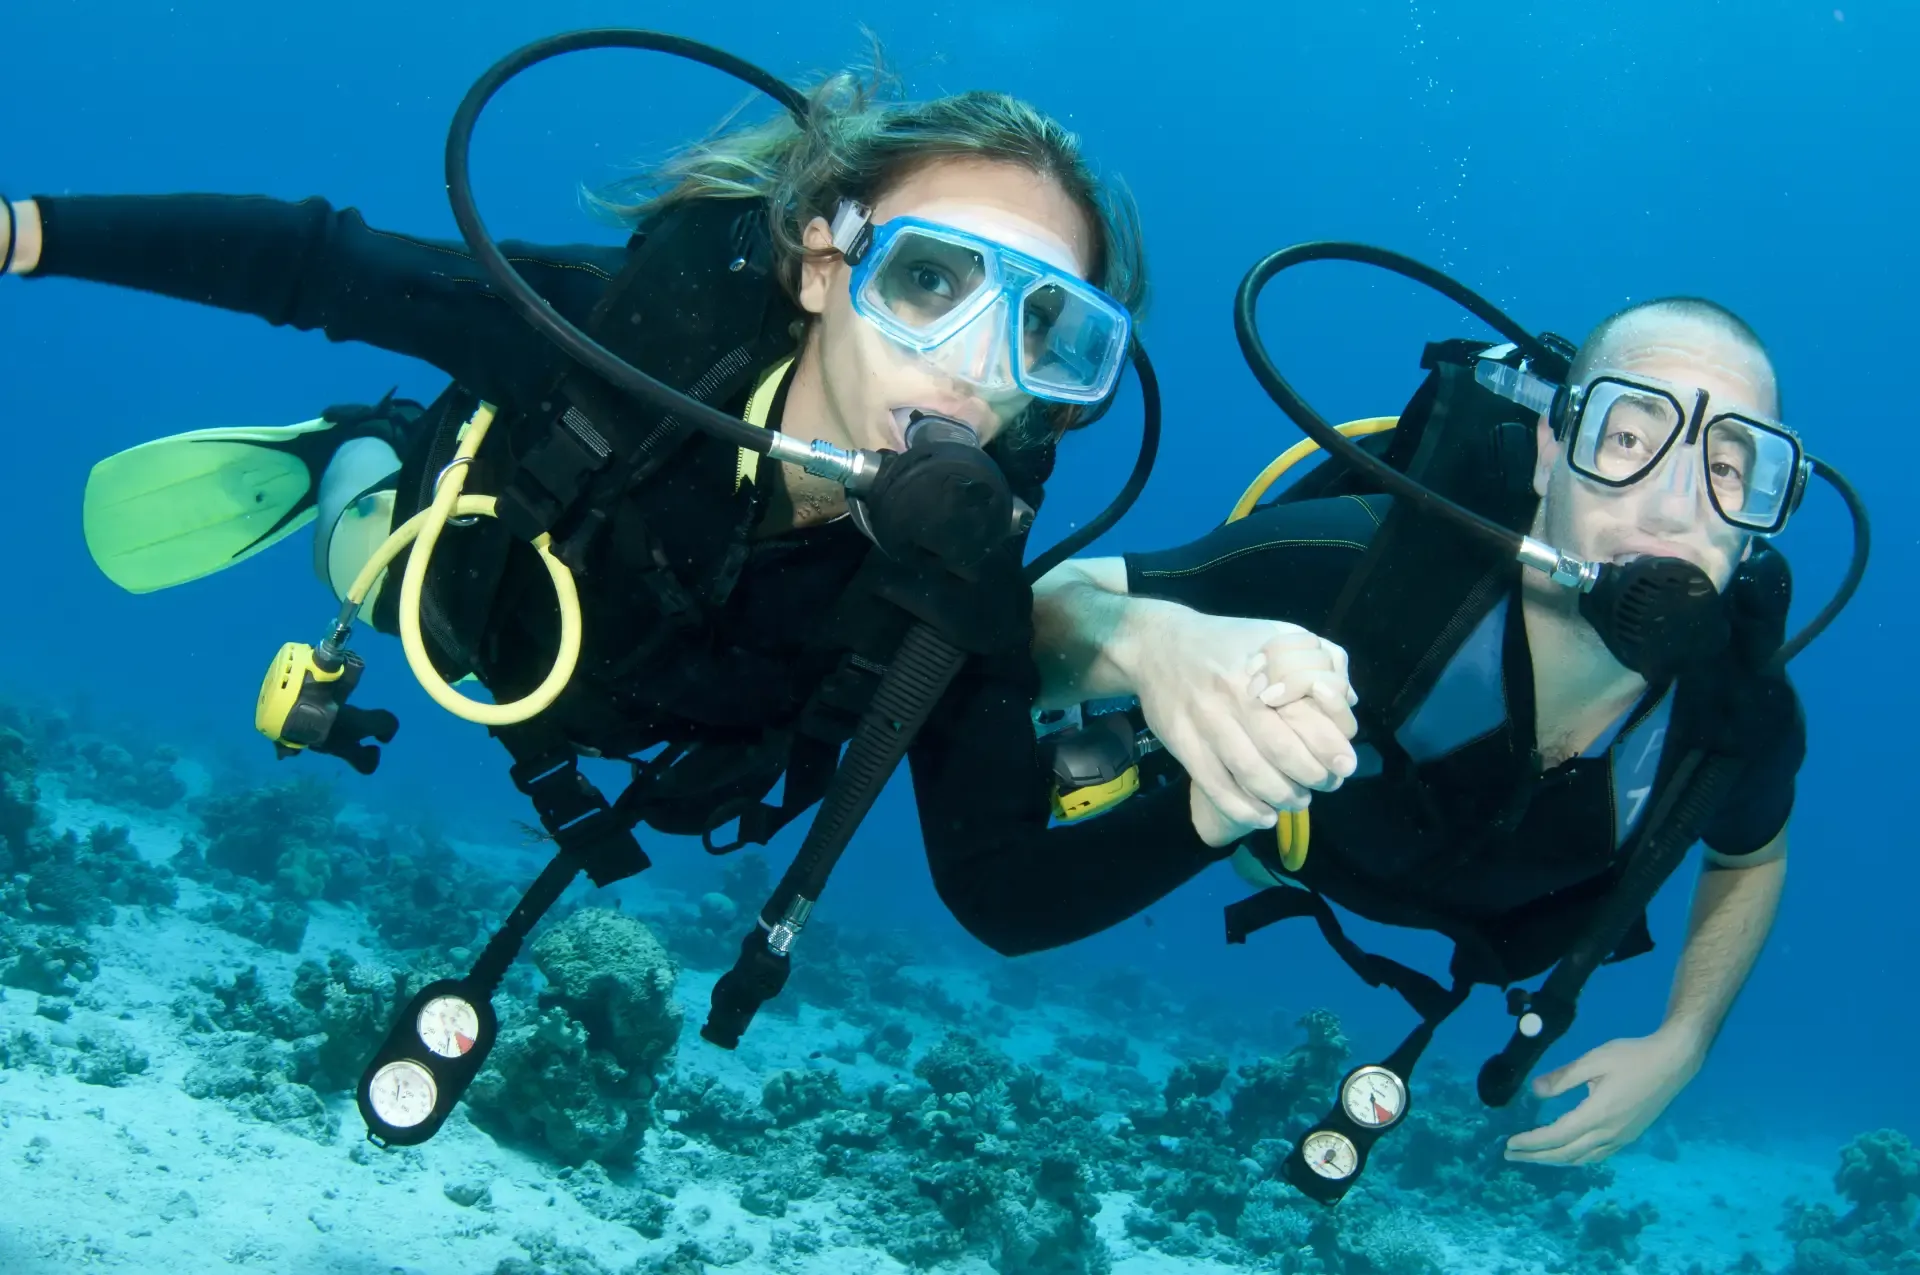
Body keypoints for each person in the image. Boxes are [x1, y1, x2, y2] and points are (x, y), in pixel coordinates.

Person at [1, 68, 1153, 849]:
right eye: (931, 280)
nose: (973, 368)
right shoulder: (609, 338)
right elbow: (308, 262)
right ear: (821, 268)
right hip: (466, 586)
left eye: (1047, 329)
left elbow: (1033, 658)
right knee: (374, 567)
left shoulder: (983, 531)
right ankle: (352, 452)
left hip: (651, 705)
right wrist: (27, 232)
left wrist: (1173, 652)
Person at [942, 297, 1809, 1170]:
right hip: (1295, 838)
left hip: (1502, 916)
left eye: (1732, 467)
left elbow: (1751, 856)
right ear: (1552, 450)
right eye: (1629, 437)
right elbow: (1039, 612)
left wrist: (1688, 1036)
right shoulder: (1359, 573)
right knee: (1228, 806)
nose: (1674, 504)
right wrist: (1155, 642)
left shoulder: (1737, 712)